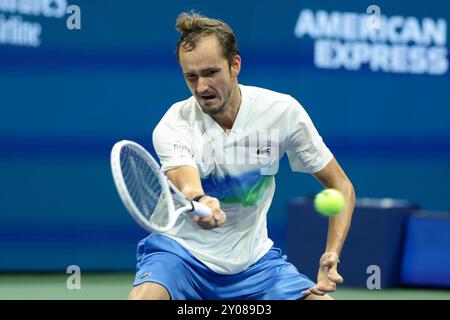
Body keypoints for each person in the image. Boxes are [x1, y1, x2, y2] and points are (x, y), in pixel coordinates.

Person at [128, 12, 355, 300]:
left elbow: (341, 186)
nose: (201, 88)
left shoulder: (282, 112)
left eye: (211, 73)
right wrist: (200, 201)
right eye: (191, 77)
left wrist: (332, 253)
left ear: (235, 65)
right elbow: (186, 182)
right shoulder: (174, 123)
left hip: (254, 264)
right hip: (179, 255)